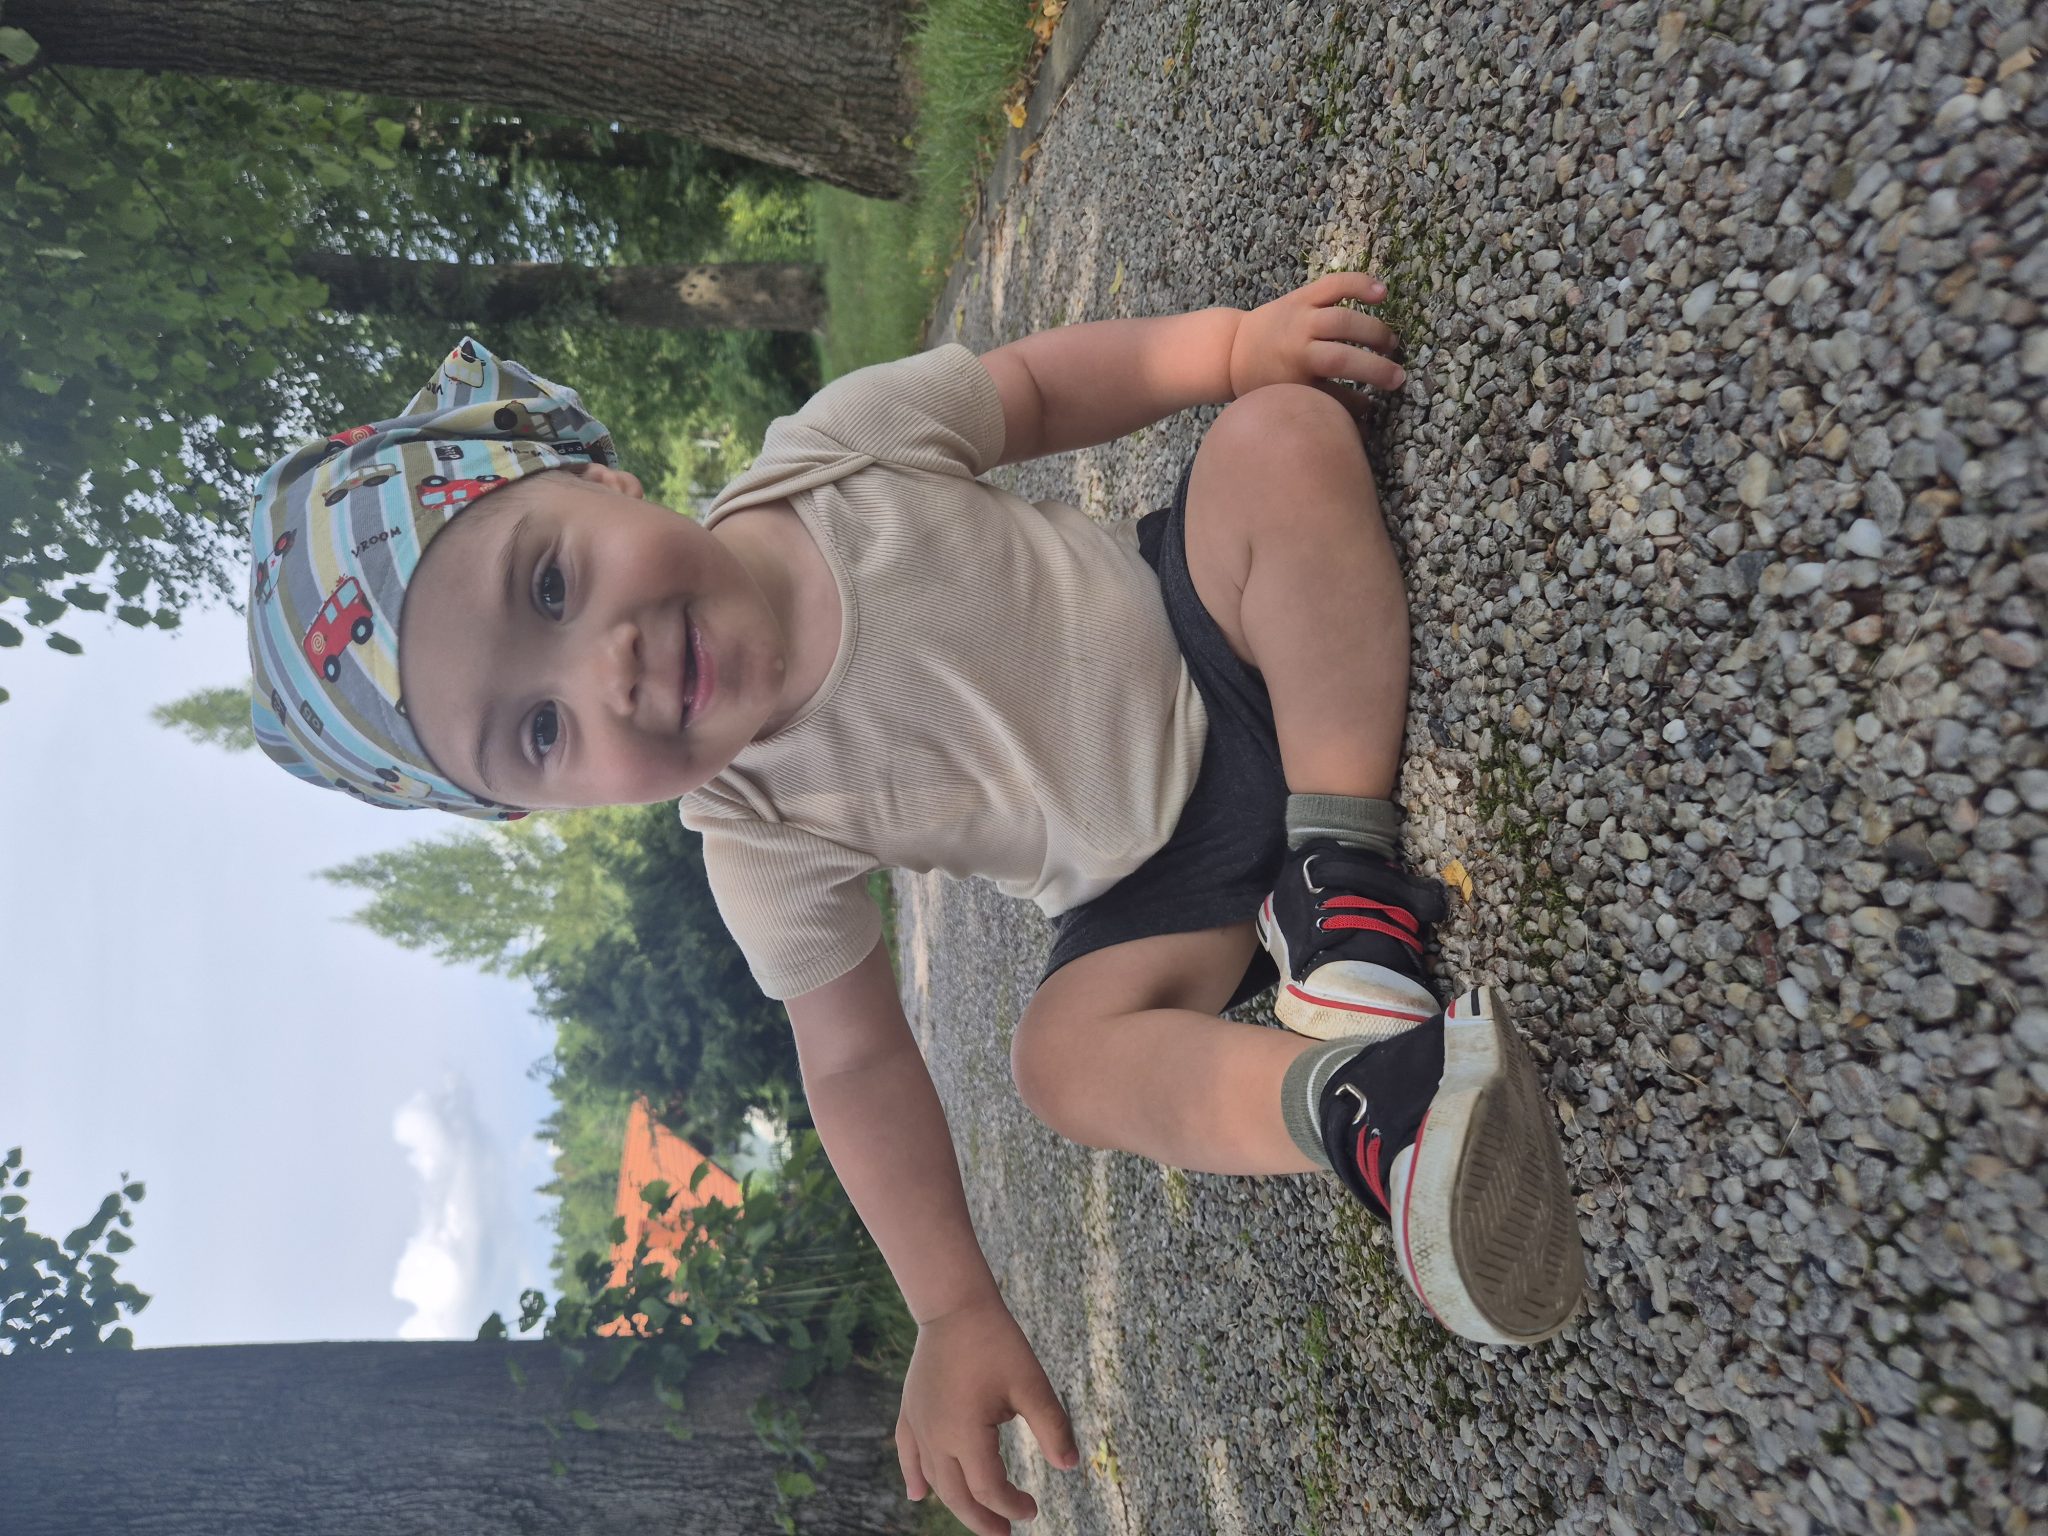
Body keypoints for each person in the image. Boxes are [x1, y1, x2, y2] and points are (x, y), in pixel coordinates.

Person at [245, 276, 1584, 1536]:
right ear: (548, 809)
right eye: (541, 732)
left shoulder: (833, 455)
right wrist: (950, 1306)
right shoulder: (751, 832)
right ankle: (1361, 1105)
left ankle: (1345, 882)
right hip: (1155, 892)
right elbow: (853, 1059)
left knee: (1281, 438)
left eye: (551, 584)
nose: (611, 673)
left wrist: (1228, 351)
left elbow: (1037, 392)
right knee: (1061, 1064)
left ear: (597, 479)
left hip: (1203, 623)